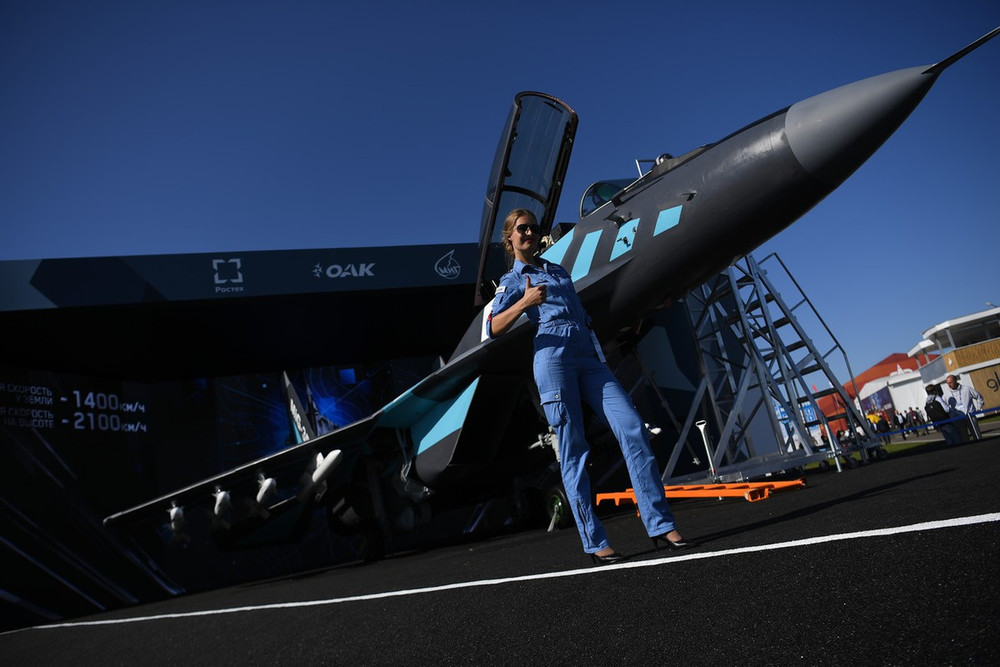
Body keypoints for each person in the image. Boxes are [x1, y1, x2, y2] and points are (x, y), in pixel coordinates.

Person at [487, 208, 693, 565]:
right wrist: (524, 302)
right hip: (553, 358)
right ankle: (594, 541)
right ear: (510, 238)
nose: (530, 233)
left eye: (534, 227)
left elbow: (581, 314)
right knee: (574, 449)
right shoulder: (512, 280)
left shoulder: (557, 270)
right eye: (522, 229)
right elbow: (493, 327)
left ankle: (659, 523)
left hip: (588, 355)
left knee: (632, 428)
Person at [942, 374, 985, 441]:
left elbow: (979, 397)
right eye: (948, 383)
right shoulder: (946, 394)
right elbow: (944, 406)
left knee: (977, 435)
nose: (949, 385)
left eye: (951, 383)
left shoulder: (966, 389)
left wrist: (979, 408)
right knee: (964, 438)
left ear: (955, 381)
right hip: (958, 419)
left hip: (969, 416)